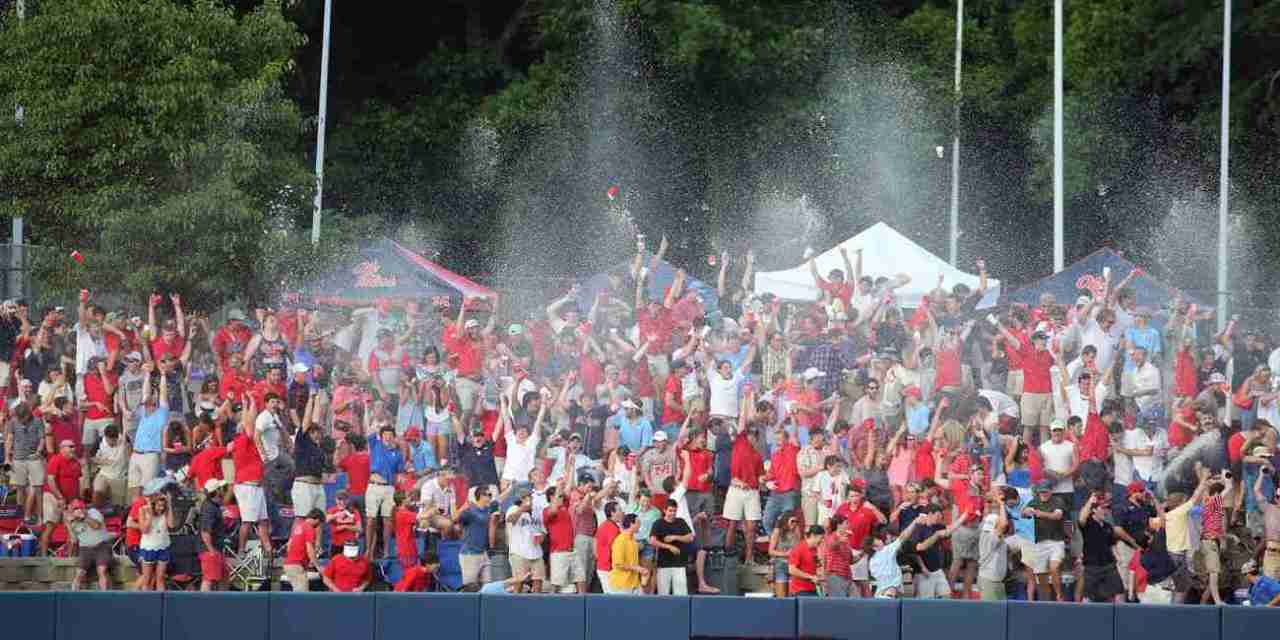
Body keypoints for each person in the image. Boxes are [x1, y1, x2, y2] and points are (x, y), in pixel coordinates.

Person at [1077, 492, 1139, 603]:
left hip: (1109, 565)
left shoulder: (1108, 527)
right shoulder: (1088, 524)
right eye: (1102, 508)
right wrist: (1090, 501)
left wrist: (1118, 557)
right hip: (1092, 566)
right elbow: (1081, 518)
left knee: (1119, 592)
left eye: (1106, 509)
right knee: (1088, 597)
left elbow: (1112, 544)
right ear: (1094, 510)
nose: (1105, 511)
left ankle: (1120, 612)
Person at [1023, 479, 1068, 601]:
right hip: (1040, 541)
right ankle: (1046, 600)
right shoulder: (1034, 501)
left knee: (1054, 567)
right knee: (1041, 575)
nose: (1043, 494)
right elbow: (1024, 513)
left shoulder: (1058, 501)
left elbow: (1057, 515)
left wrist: (1040, 514)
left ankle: (1059, 595)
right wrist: (1027, 512)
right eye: (1041, 491)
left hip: (1056, 541)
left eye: (1045, 491)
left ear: (1051, 491)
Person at [65, 499, 113, 591]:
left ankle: (105, 595)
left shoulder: (93, 512)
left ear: (84, 508)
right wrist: (68, 525)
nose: (77, 511)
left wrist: (84, 518)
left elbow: (96, 526)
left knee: (102, 570)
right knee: (79, 573)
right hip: (85, 548)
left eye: (79, 508)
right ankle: (73, 594)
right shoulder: (73, 520)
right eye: (75, 509)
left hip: (101, 546)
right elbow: (74, 539)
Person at [649, 499, 694, 595]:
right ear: (664, 510)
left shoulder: (681, 522)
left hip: (680, 564)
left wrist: (675, 537)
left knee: (681, 594)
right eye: (670, 510)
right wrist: (669, 547)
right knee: (663, 594)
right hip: (663, 564)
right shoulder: (658, 523)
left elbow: (690, 537)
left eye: (674, 511)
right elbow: (652, 541)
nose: (673, 513)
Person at [136, 490, 176, 591]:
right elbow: (144, 530)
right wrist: (150, 516)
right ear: (153, 503)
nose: (161, 508)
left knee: (160, 578)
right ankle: (143, 598)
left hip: (163, 547)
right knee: (147, 579)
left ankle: (161, 600)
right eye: (159, 505)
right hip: (149, 548)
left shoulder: (166, 510)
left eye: (163, 506)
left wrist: (169, 505)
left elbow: (171, 525)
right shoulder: (143, 510)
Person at [199, 479, 232, 591]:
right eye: (221, 488)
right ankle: (203, 601)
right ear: (217, 491)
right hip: (210, 549)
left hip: (217, 548)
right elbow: (205, 531)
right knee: (209, 579)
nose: (223, 490)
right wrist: (211, 550)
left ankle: (222, 599)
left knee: (224, 576)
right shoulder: (209, 508)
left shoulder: (215, 505)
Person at [283, 509, 324, 592]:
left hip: (289, 564)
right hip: (296, 565)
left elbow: (289, 546)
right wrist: (318, 567)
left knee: (298, 592)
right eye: (319, 523)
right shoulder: (309, 528)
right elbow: (310, 550)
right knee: (302, 594)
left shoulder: (299, 526)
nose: (319, 525)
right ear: (317, 519)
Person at [609, 513, 648, 594]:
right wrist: (637, 568)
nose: (640, 525)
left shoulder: (633, 540)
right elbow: (618, 564)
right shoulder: (620, 541)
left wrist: (641, 570)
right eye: (638, 523)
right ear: (631, 524)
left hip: (634, 584)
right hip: (621, 585)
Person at [767, 512, 803, 597]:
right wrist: (785, 554)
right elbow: (771, 551)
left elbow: (800, 547)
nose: (794, 523)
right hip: (781, 564)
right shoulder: (777, 531)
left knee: (793, 594)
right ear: (786, 521)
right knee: (782, 596)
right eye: (792, 521)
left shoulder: (796, 531)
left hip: (794, 565)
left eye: (796, 521)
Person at [786, 525, 826, 597]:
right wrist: (810, 577)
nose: (822, 541)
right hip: (800, 590)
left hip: (812, 589)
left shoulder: (815, 549)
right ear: (813, 535)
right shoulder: (799, 548)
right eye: (821, 538)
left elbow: (816, 566)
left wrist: (819, 577)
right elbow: (791, 570)